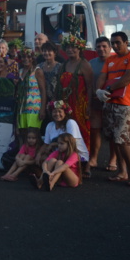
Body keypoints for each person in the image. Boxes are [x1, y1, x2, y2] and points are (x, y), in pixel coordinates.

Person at [96, 31, 130, 187]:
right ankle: (122, 172)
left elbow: (128, 77)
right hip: (109, 103)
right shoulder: (110, 60)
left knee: (123, 140)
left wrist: (108, 89)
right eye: (113, 43)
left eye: (118, 43)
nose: (115, 46)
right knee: (113, 138)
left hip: (125, 104)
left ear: (126, 42)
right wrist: (98, 90)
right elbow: (102, 77)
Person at [59, 34, 93, 175]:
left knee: (82, 132)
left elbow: (91, 86)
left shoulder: (84, 64)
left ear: (79, 49)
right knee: (67, 133)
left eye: (73, 47)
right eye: (68, 47)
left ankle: (86, 164)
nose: (70, 50)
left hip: (80, 104)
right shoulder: (65, 64)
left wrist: (89, 106)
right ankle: (70, 162)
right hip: (66, 104)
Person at [88, 37, 116, 171]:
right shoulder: (91, 63)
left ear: (110, 47)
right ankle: (93, 158)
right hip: (95, 102)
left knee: (112, 132)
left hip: (113, 102)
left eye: (104, 46)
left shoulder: (116, 62)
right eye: (98, 46)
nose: (101, 49)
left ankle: (113, 159)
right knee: (95, 130)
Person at [37, 100, 89, 166]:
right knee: (41, 158)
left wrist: (53, 144)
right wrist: (39, 154)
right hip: (60, 154)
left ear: (65, 113)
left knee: (53, 162)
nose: (57, 114)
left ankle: (85, 167)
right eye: (54, 112)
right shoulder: (50, 125)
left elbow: (71, 144)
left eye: (60, 111)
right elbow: (46, 144)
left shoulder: (70, 123)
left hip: (75, 155)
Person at [16, 48, 47, 141]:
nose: (26, 59)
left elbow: (43, 91)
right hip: (22, 107)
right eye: (24, 57)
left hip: (34, 107)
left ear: (32, 58)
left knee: (33, 134)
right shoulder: (20, 71)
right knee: (23, 133)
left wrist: (42, 109)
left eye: (28, 57)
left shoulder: (37, 71)